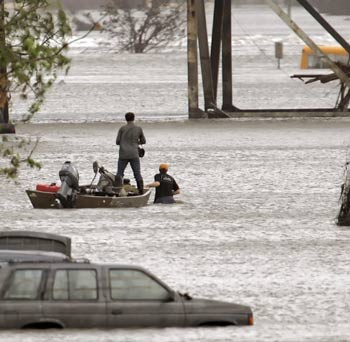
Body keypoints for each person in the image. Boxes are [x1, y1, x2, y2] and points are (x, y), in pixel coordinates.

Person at [116, 112, 146, 194]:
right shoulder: (138, 128)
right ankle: (141, 191)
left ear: (126, 119)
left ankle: (117, 190)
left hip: (123, 154)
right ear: (134, 118)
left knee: (119, 173)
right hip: (134, 153)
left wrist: (124, 142)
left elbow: (117, 142)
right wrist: (136, 142)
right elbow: (143, 141)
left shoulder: (122, 128)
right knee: (137, 173)